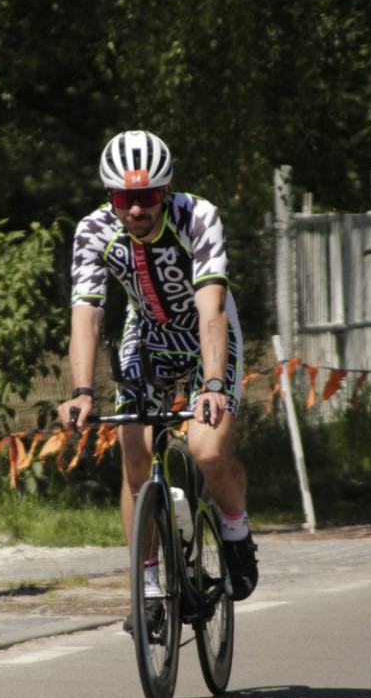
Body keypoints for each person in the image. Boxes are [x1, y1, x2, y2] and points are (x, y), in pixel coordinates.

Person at [57, 129, 258, 608]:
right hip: (146, 335)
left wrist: (211, 385)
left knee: (206, 449)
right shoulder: (94, 231)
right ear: (111, 196)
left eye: (147, 197)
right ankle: (146, 587)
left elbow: (211, 309)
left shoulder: (198, 216)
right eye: (125, 198)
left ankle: (235, 532)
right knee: (135, 456)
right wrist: (82, 390)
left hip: (205, 335)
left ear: (165, 192)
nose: (136, 210)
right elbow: (85, 313)